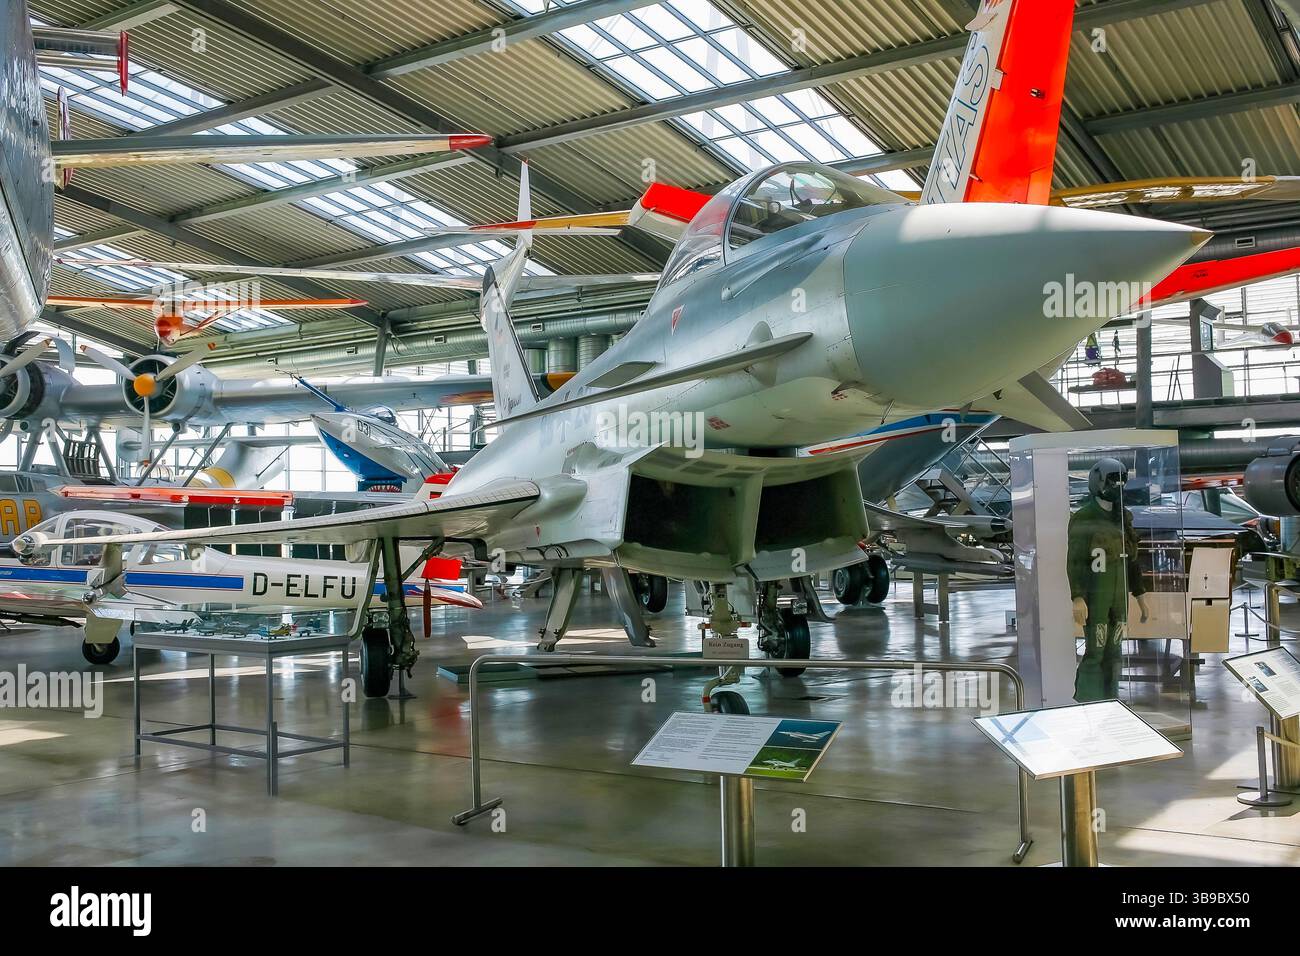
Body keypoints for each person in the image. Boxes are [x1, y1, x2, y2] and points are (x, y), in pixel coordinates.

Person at [1067, 458, 1150, 701]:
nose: (1119, 486)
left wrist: (1140, 596)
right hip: (1097, 594)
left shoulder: (1124, 518)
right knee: (1096, 650)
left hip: (1119, 595)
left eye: (1122, 481)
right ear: (1099, 481)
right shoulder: (1084, 518)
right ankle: (1087, 701)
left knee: (1115, 651)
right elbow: (1075, 560)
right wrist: (1078, 597)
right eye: (1114, 480)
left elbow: (1131, 559)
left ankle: (1111, 699)